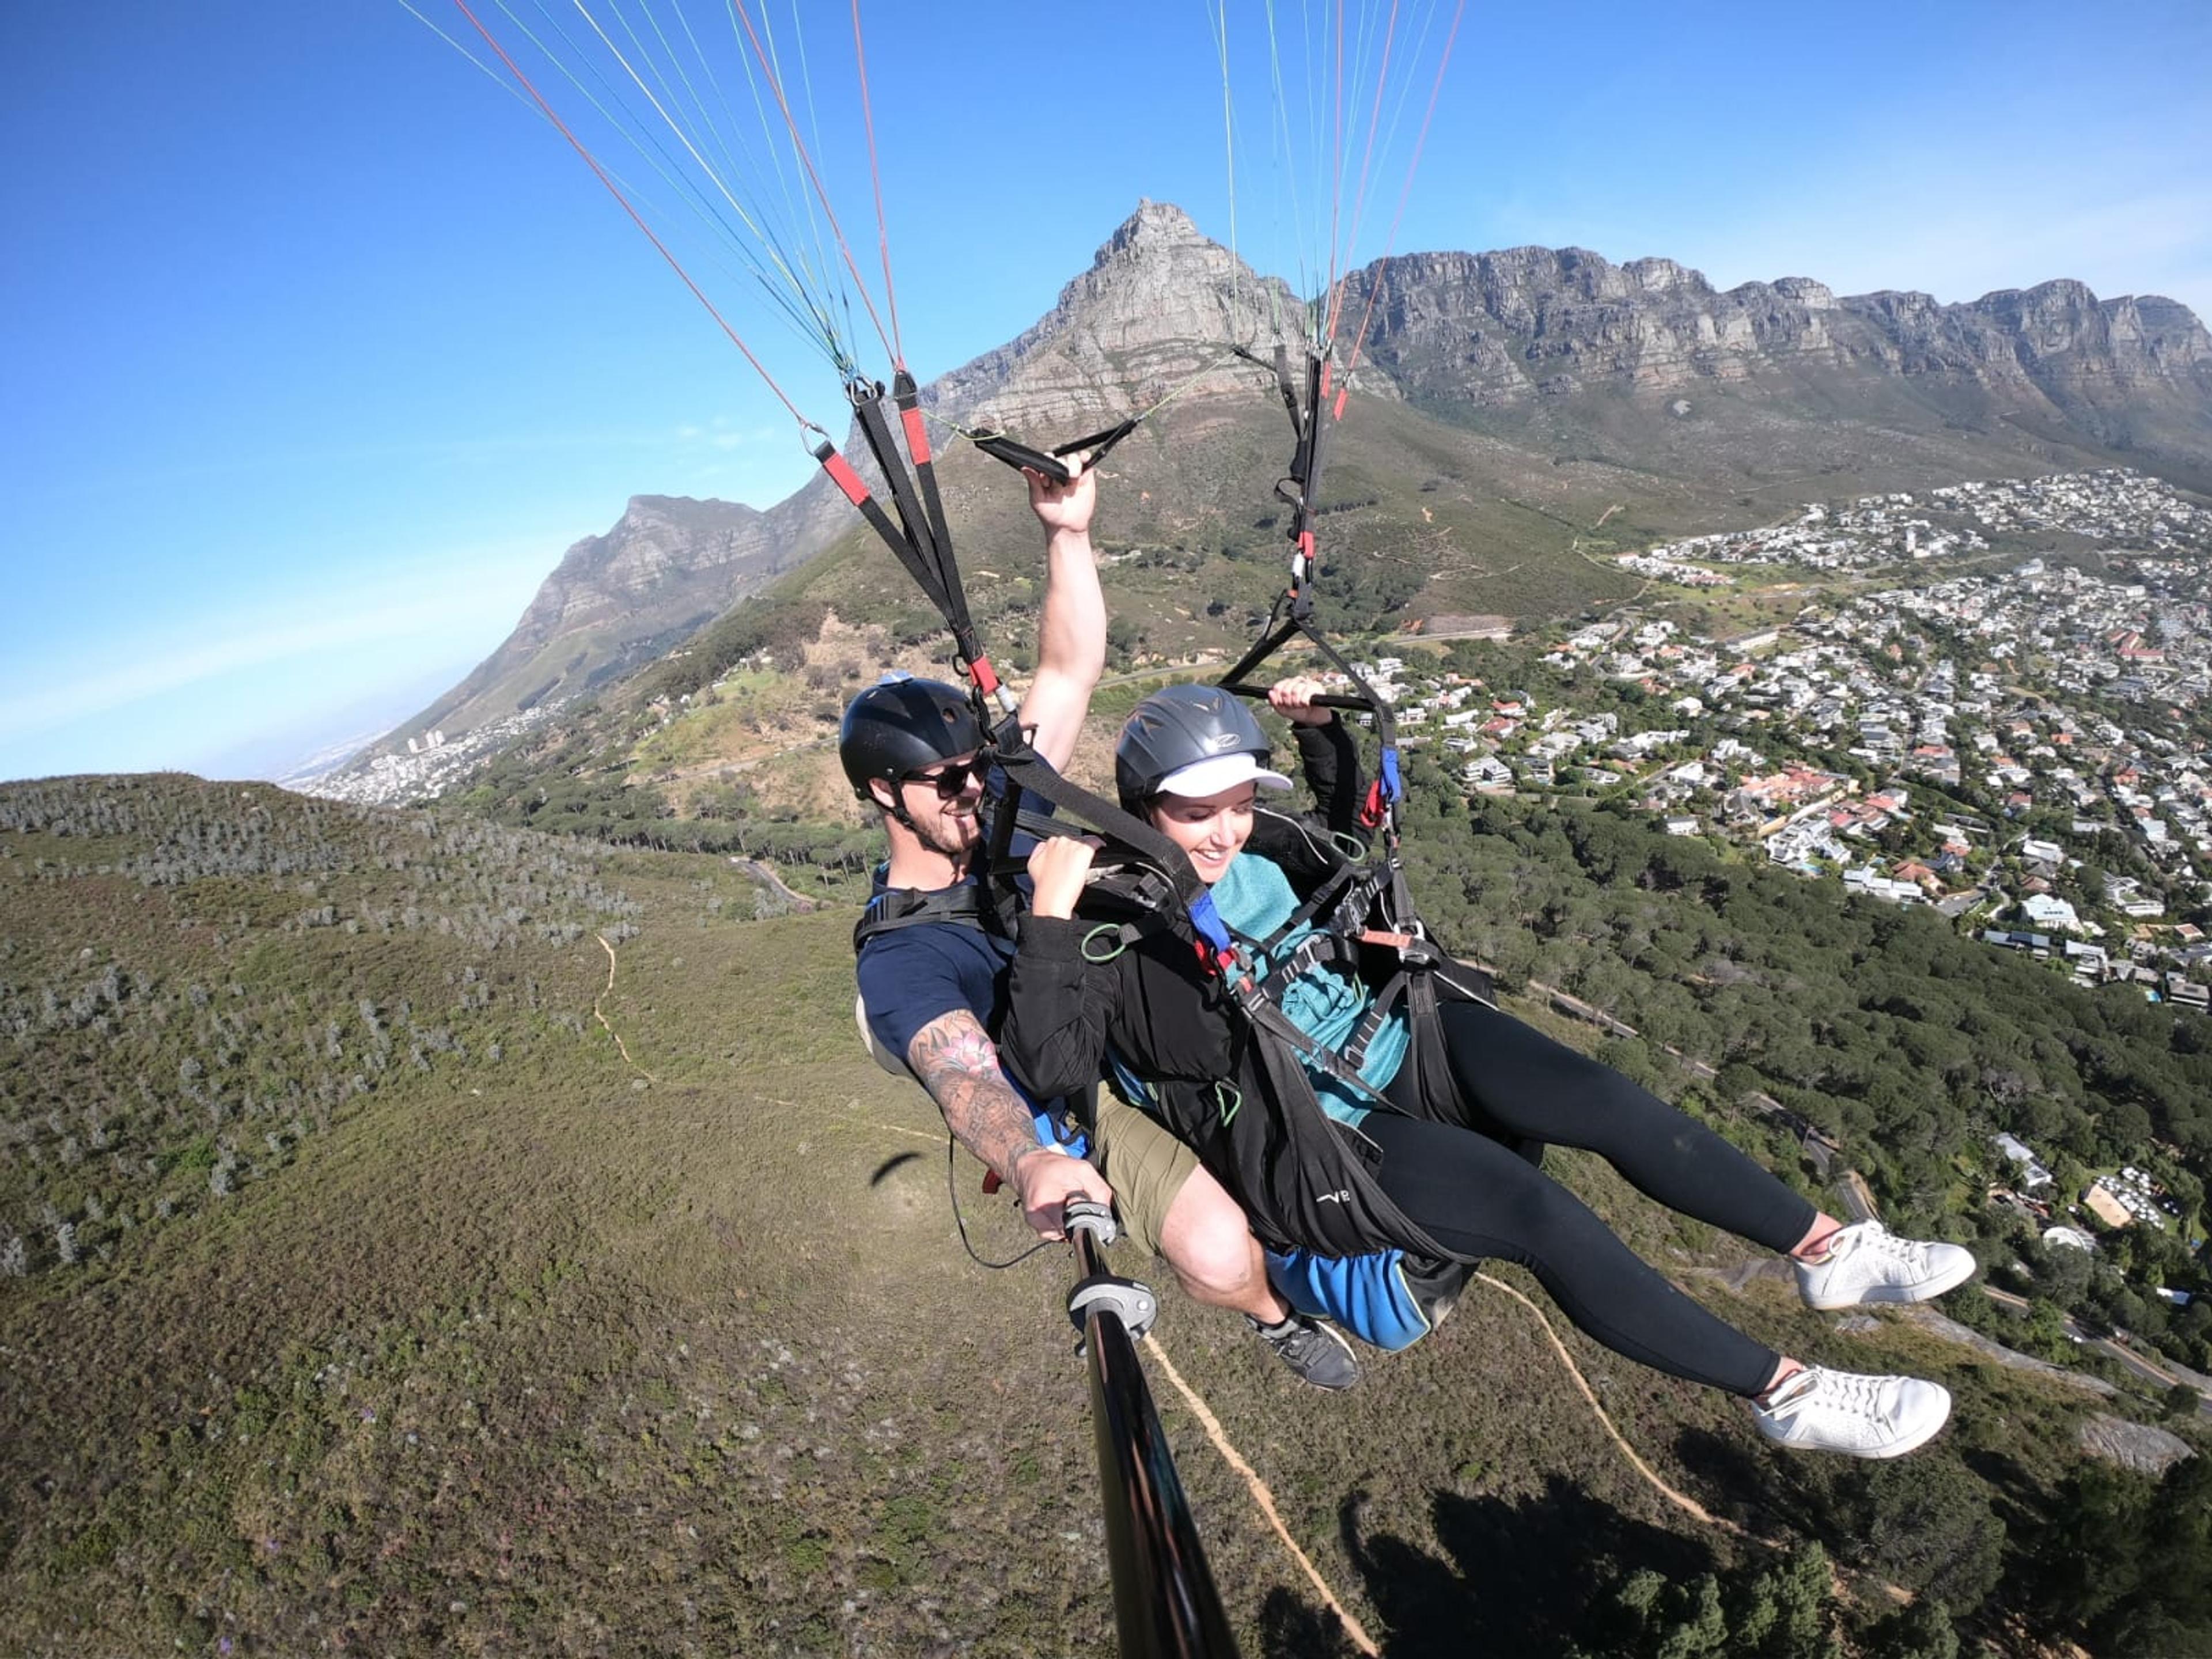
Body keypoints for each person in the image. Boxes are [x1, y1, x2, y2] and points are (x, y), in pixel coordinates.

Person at [1003, 678, 1980, 1458]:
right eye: (1193, 813)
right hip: (1320, 1135)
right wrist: (1049, 920)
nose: (1223, 830)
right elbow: (1054, 1069)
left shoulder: (1261, 845)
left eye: (1237, 803)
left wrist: (1319, 741)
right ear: (1142, 807)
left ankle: (1827, 1251)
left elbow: (1351, 852)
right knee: (1537, 1214)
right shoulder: (1107, 925)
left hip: (1394, 1035)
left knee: (1603, 1097)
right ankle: (1788, 1393)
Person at [844, 467, 1359, 1389]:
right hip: (1071, 1080)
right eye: (948, 781)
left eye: (978, 767)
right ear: (884, 793)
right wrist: (1033, 1154)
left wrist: (1068, 533)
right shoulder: (905, 956)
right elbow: (962, 1075)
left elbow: (1067, 668)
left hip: (1128, 999)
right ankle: (1275, 1313)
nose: (975, 790)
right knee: (1212, 1250)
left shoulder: (1004, 802)